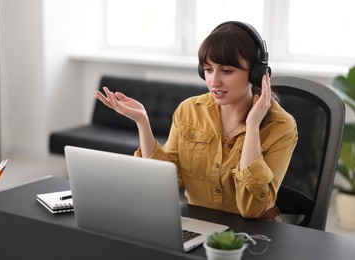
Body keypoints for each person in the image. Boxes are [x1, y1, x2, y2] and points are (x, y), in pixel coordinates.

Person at [94, 21, 298, 220]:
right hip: (199, 226)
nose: (213, 81)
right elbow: (166, 183)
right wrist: (142, 122)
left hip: (255, 236)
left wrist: (252, 126)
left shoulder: (281, 126)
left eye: (227, 71)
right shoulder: (189, 111)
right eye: (208, 70)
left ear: (257, 74)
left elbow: (253, 209)